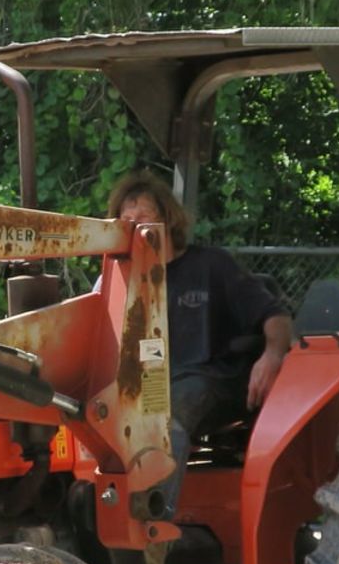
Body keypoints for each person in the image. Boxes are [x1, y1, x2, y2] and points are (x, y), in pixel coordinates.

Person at [106, 170, 292, 516]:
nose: (134, 227)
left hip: (209, 379)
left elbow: (275, 316)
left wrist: (272, 355)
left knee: (164, 416)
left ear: (168, 219)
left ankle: (153, 527)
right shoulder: (120, 277)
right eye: (126, 220)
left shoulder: (211, 266)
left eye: (143, 217)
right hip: (143, 384)